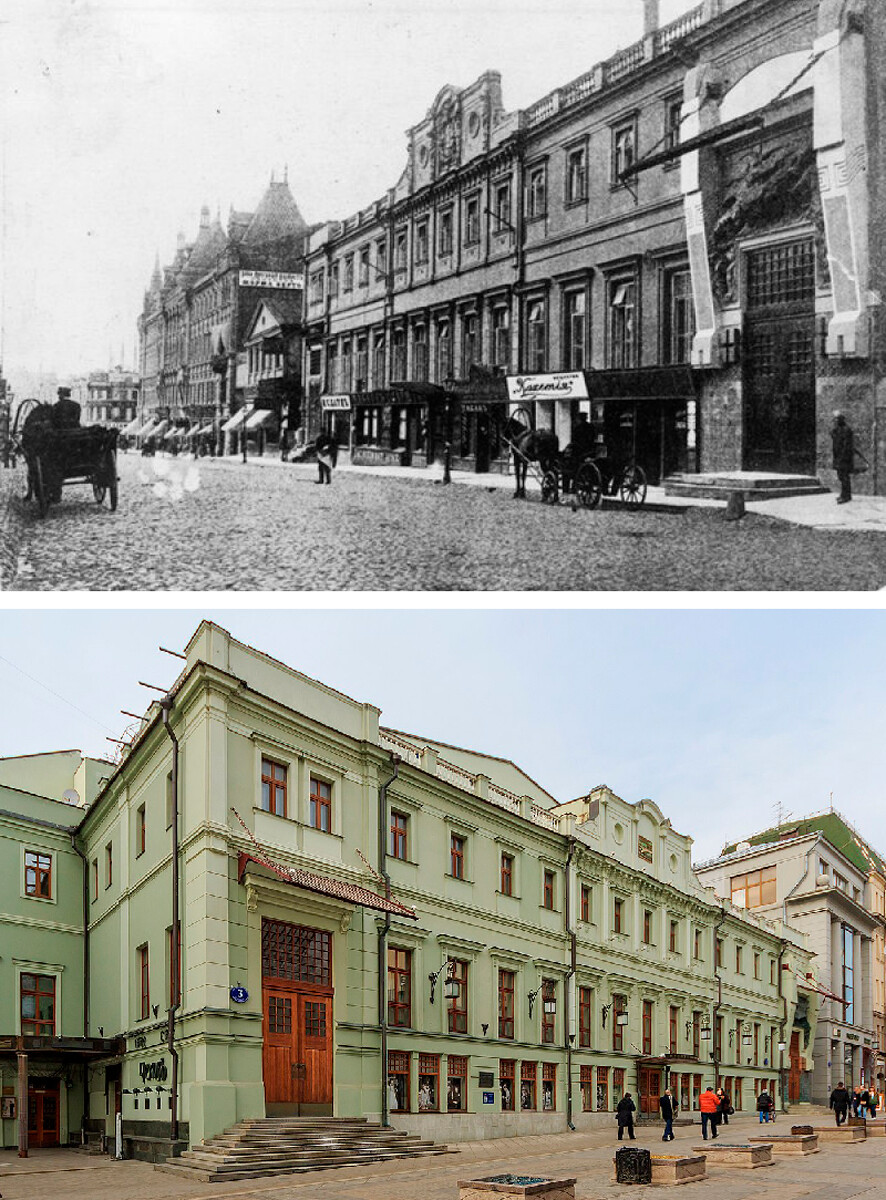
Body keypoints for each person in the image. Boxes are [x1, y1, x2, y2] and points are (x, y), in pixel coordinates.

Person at [831, 411, 854, 503]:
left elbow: (846, 445)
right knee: (841, 476)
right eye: (835, 419)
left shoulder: (846, 429)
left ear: (841, 419)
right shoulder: (838, 429)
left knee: (844, 477)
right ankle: (843, 494)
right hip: (838, 457)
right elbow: (833, 436)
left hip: (844, 458)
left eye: (837, 419)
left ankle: (846, 496)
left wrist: (842, 457)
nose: (836, 421)